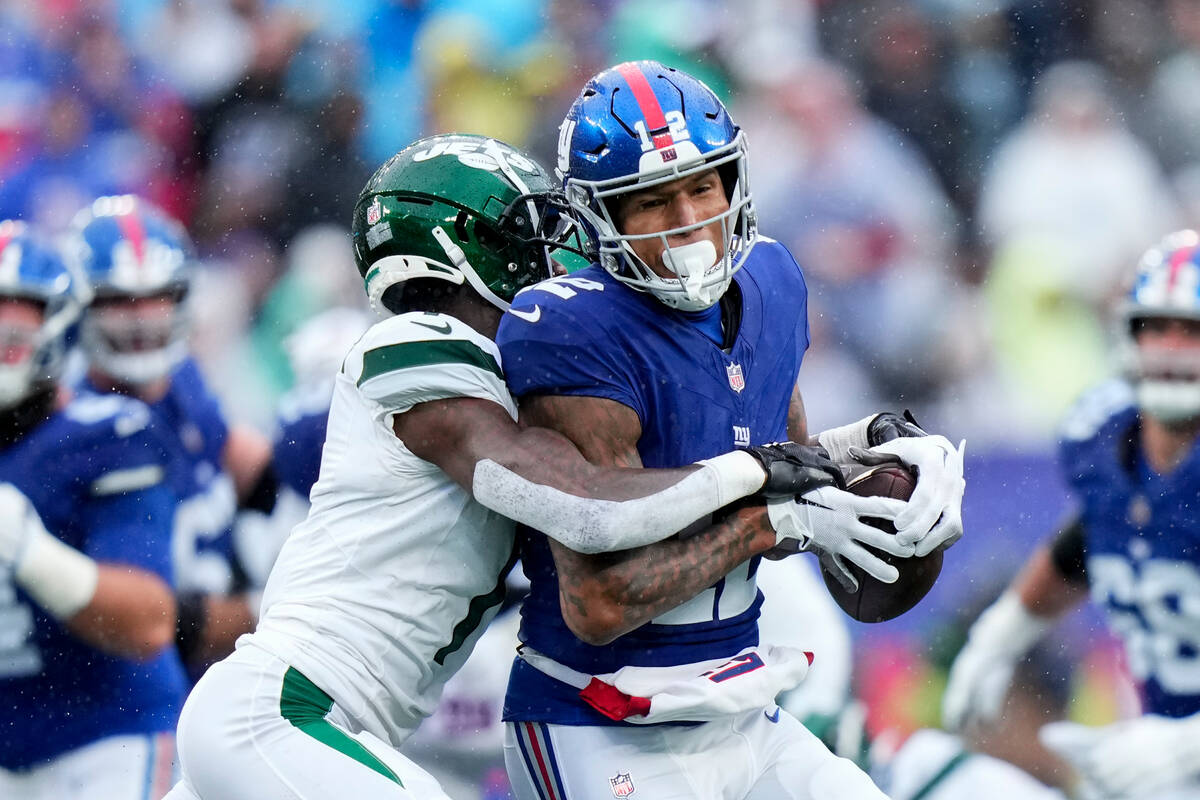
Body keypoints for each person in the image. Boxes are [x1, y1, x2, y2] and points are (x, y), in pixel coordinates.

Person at [162, 133, 860, 800]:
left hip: (308, 722)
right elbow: (587, 506)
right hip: (282, 712)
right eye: (525, 234)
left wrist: (847, 452)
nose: (552, 254)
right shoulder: (417, 346)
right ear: (457, 249)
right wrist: (756, 473)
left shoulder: (506, 375)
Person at [494, 60, 966, 800]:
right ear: (598, 216)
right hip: (600, 719)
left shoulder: (772, 282)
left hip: (741, 712)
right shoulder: (570, 330)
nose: (686, 221)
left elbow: (787, 458)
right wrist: (772, 523)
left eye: (700, 187)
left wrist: (882, 459)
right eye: (650, 201)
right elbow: (600, 606)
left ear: (734, 181)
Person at [943, 230, 1200, 799]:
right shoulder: (1107, 439)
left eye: (1192, 331)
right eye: (1159, 327)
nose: (1174, 348)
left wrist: (1185, 748)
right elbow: (1092, 535)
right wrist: (1002, 634)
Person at [0, 220, 184, 799]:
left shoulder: (106, 434)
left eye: (12, 314)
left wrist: (28, 551)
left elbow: (149, 622)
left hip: (107, 738)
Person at [67, 194, 277, 676]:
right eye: (117, 300)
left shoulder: (181, 379)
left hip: (215, 639)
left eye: (157, 296)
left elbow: (247, 460)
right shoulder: (86, 425)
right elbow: (163, 622)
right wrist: (277, 613)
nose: (142, 318)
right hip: (143, 674)